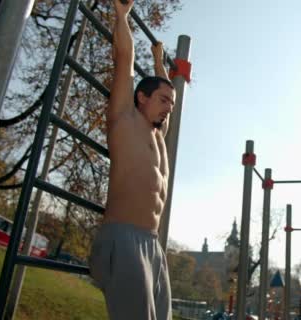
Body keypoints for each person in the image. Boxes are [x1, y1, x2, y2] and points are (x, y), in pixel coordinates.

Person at [87, 0, 176, 319]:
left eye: (172, 103)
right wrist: (121, 15)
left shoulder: (157, 137)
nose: (169, 107)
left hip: (152, 245)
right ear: (141, 97)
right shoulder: (124, 120)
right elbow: (124, 59)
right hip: (123, 237)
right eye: (164, 100)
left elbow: (164, 92)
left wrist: (159, 63)